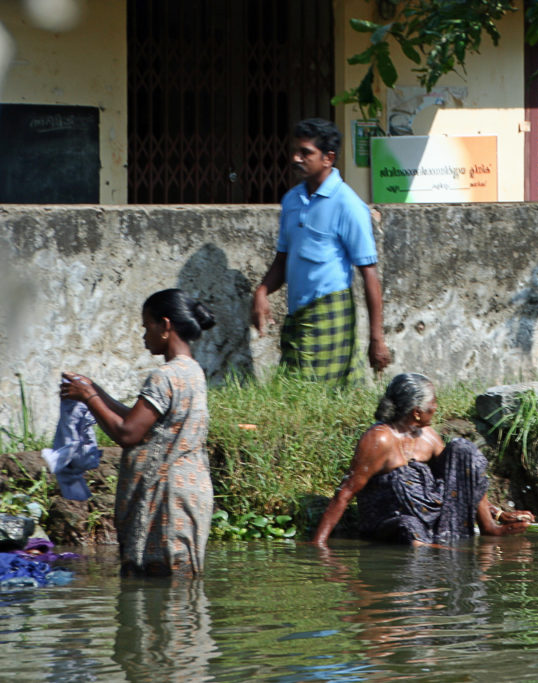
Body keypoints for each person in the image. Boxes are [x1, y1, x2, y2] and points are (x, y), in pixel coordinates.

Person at [61, 289, 216, 577]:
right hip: (189, 491)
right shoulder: (192, 371)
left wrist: (89, 398)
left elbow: (128, 433)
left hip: (166, 495)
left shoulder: (164, 376)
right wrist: (95, 392)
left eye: (148, 327)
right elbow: (142, 420)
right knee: (180, 589)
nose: (145, 336)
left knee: (160, 587)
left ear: (166, 325)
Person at [313, 373, 534, 546]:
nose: (436, 407)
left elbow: (461, 478)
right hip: (393, 521)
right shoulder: (378, 439)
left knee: (463, 450)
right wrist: (318, 544)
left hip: (430, 516)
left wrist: (498, 514)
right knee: (409, 528)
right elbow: (346, 492)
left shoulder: (428, 437)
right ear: (417, 412)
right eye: (433, 403)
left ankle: (487, 528)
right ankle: (443, 550)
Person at [251, 117, 391, 383]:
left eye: (306, 153)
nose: (296, 158)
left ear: (328, 158)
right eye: (295, 151)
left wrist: (377, 339)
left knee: (321, 398)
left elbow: (369, 275)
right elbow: (283, 260)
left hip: (330, 314)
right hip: (297, 319)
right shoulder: (292, 200)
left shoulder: (348, 204)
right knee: (295, 395)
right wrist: (262, 291)